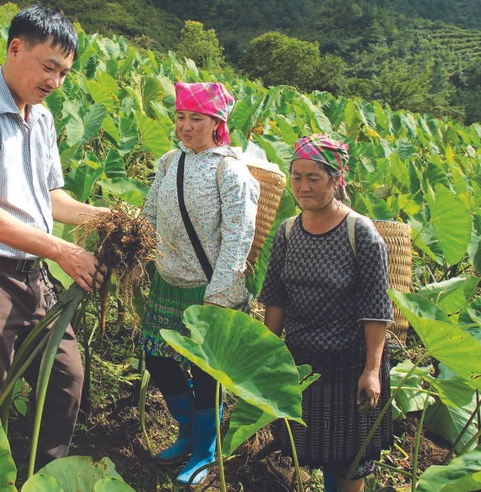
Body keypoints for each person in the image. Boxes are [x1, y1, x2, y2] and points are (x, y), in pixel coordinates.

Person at [0, 5, 108, 469]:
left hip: (34, 276)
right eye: (48, 66)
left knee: (66, 378)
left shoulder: (42, 119)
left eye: (65, 73)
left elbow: (51, 198)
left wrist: (109, 218)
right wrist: (61, 250)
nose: (55, 81)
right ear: (15, 49)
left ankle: (42, 476)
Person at [259, 134, 394, 492]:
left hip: (349, 362)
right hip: (302, 361)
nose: (302, 187)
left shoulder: (360, 233)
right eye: (296, 177)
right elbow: (276, 299)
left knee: (349, 462)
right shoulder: (288, 232)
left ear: (336, 180)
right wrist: (263, 358)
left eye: (313, 179)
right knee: (313, 451)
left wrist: (372, 370)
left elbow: (376, 308)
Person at [141, 81, 259, 486]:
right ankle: (188, 430)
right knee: (158, 359)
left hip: (209, 289)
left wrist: (219, 297)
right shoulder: (170, 161)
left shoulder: (231, 172)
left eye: (195, 119)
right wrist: (137, 253)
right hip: (166, 283)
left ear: (216, 124)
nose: (185, 126)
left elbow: (238, 238)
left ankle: (205, 453)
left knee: (206, 372)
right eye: (180, 117)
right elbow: (151, 212)